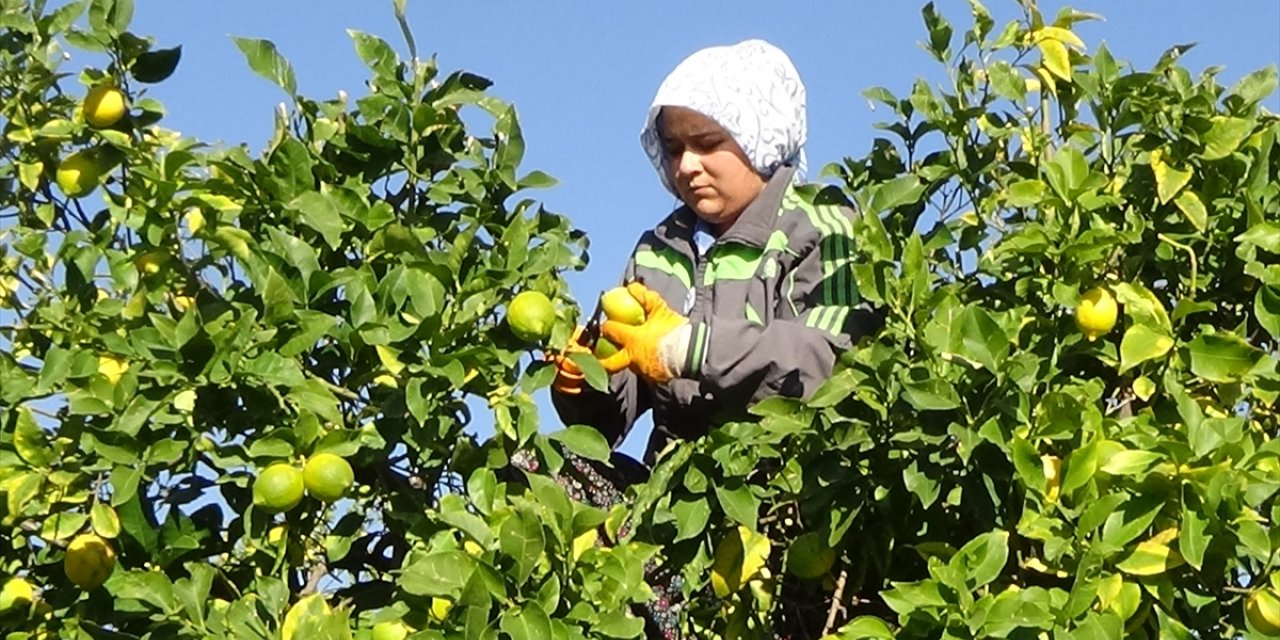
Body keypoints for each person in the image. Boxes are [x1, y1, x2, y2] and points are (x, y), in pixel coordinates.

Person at [550, 39, 878, 467]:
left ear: (758, 137)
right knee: (536, 466)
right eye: (673, 149)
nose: (686, 166)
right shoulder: (657, 250)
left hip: (787, 483)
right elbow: (606, 425)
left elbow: (828, 361)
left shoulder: (820, 228)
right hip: (673, 493)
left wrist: (688, 348)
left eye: (706, 143)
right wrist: (585, 381)